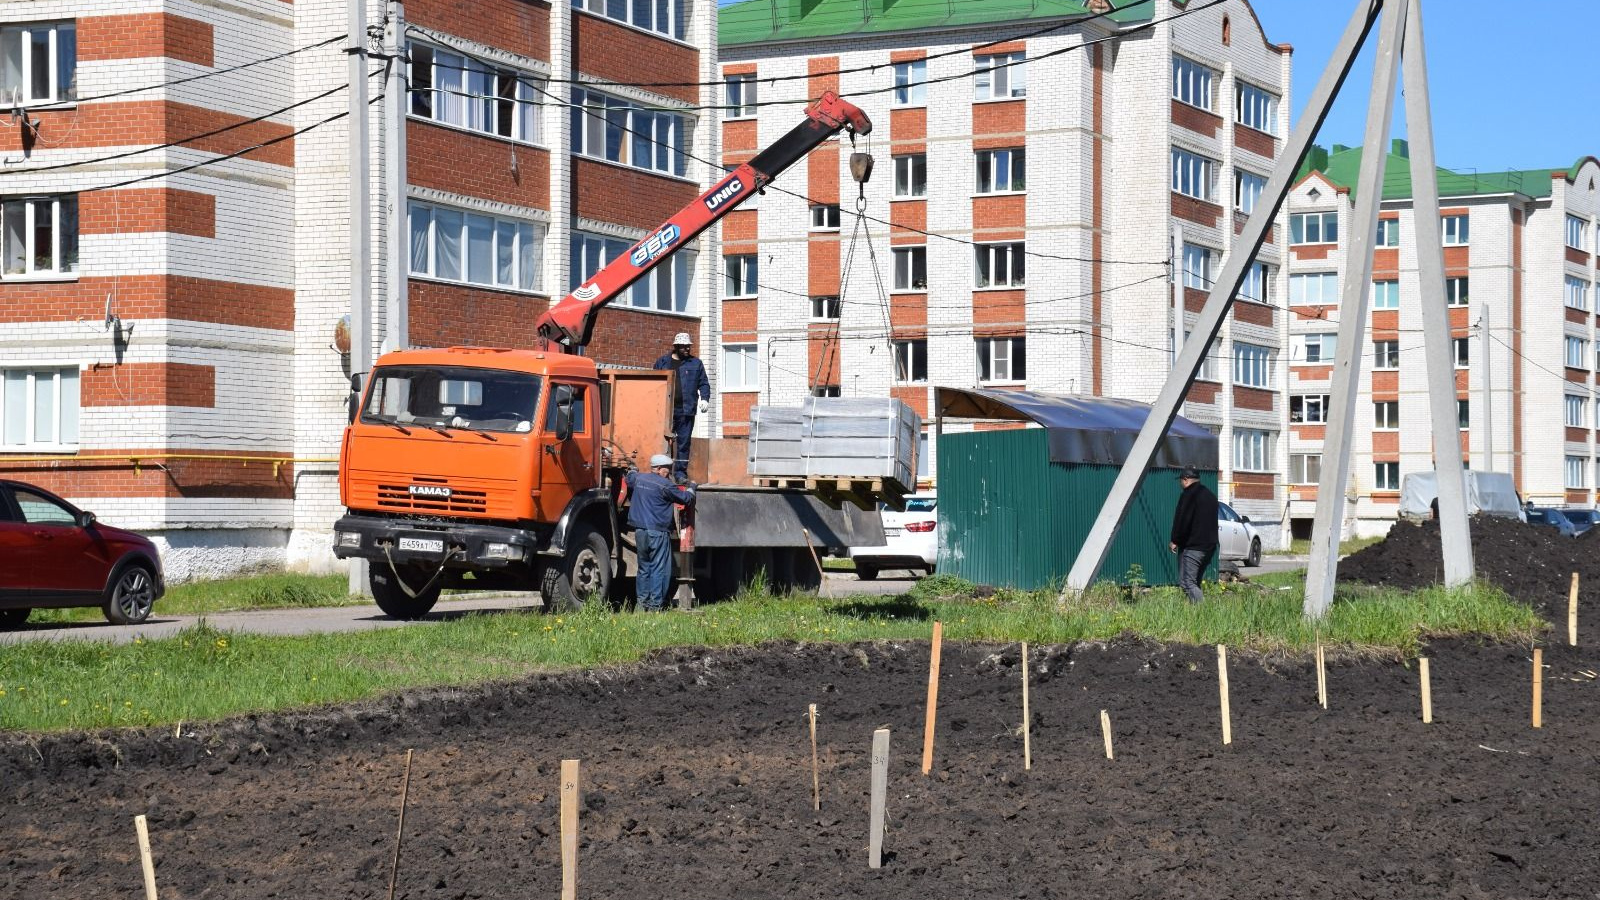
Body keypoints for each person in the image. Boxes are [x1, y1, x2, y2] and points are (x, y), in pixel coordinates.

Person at [624, 454, 696, 611]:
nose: (669, 473)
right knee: (658, 568)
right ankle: (655, 606)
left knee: (643, 568)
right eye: (667, 470)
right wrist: (692, 487)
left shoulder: (639, 479)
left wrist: (632, 470)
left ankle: (641, 605)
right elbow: (686, 498)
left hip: (640, 531)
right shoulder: (666, 485)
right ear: (658, 469)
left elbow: (629, 477)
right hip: (657, 532)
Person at [653, 332, 710, 482]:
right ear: (676, 347)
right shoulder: (662, 362)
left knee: (684, 443)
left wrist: (705, 399)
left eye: (688, 346)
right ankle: (662, 473)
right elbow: (653, 383)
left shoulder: (695, 363)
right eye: (684, 347)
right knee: (663, 442)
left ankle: (680, 474)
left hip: (686, 410)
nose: (687, 349)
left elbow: (703, 383)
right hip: (666, 410)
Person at [1169, 466, 1219, 604]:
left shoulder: (1189, 494)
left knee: (1187, 583)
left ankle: (1204, 611)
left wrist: (1175, 540)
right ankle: (1194, 613)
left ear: (1185, 480)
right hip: (1209, 547)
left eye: (1181, 480)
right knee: (1195, 582)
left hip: (1193, 547)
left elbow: (1183, 520)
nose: (1180, 484)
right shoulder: (1209, 495)